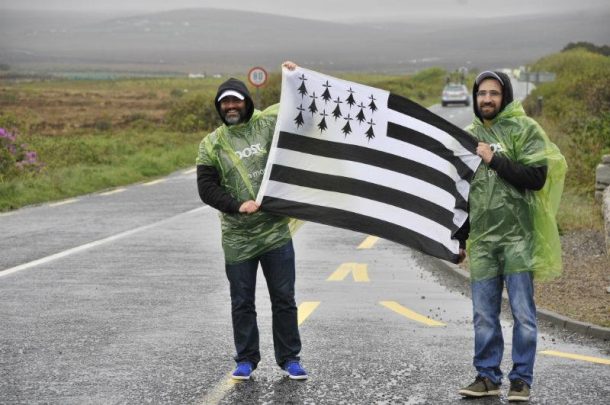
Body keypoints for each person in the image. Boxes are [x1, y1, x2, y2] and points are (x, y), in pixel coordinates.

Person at [456, 71, 566, 402]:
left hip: (519, 240)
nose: (487, 99)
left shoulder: (526, 129)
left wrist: (494, 159)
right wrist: (459, 240)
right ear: (475, 98)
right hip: (484, 243)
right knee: (484, 315)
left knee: (523, 313)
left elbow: (535, 176)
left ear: (505, 96)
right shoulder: (468, 136)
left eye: (494, 93)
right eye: (481, 94)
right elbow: (461, 193)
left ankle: (521, 380)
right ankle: (487, 377)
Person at [196, 61, 308, 381]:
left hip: (275, 232)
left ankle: (290, 359)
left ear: (247, 101)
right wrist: (235, 205)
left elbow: (300, 109)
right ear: (219, 107)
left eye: (236, 100)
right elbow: (206, 188)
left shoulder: (267, 123)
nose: (231, 106)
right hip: (238, 237)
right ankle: (246, 359)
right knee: (242, 301)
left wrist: (294, 76)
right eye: (225, 102)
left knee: (284, 299)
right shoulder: (212, 144)